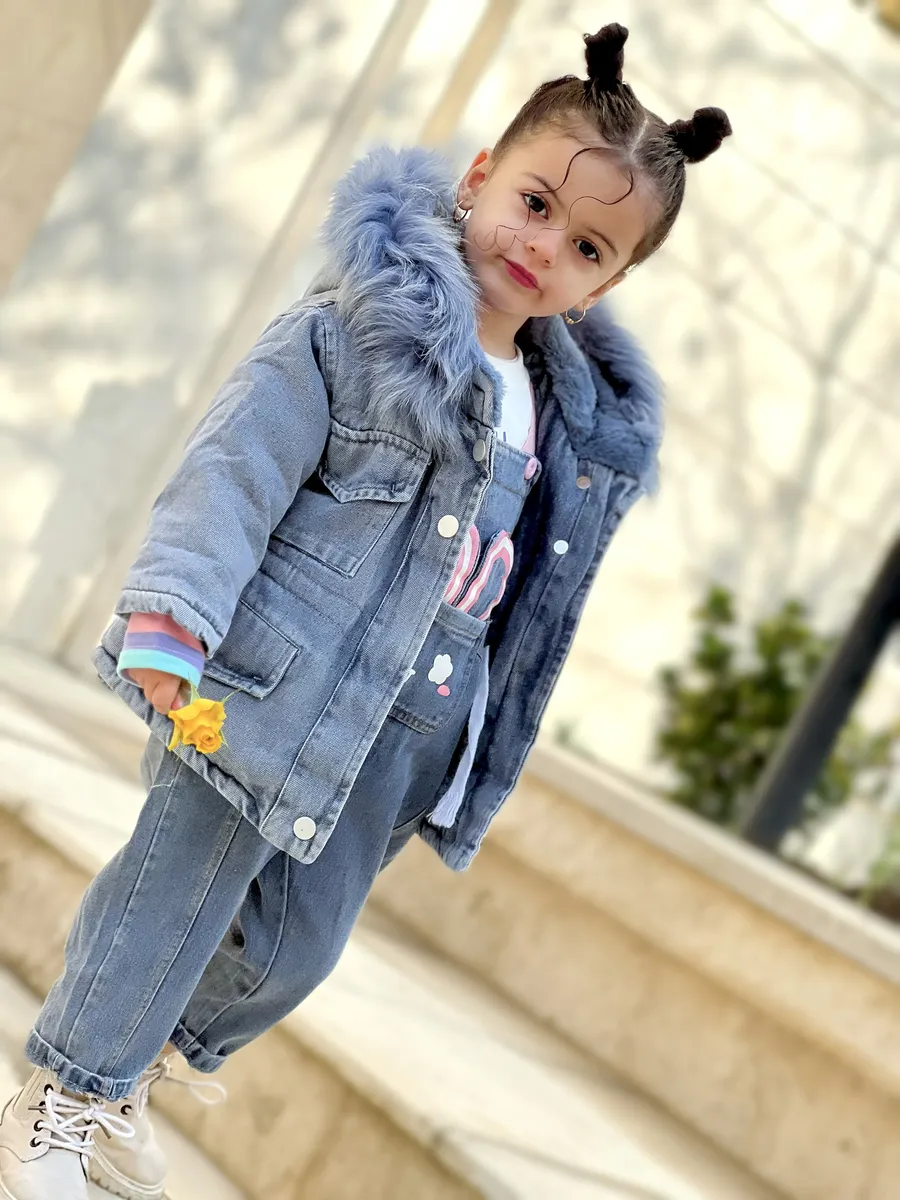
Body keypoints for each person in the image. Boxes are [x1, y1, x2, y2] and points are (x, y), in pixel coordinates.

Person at [0, 23, 731, 1200]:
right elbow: (236, 468)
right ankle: (65, 1096)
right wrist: (177, 615)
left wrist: (473, 747)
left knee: (295, 948)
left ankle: (136, 1068)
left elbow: (534, 604)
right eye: (536, 203)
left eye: (588, 245)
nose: (545, 245)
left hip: (403, 734)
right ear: (480, 175)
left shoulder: (566, 425)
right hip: (263, 686)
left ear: (606, 286)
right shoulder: (353, 332)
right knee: (174, 894)